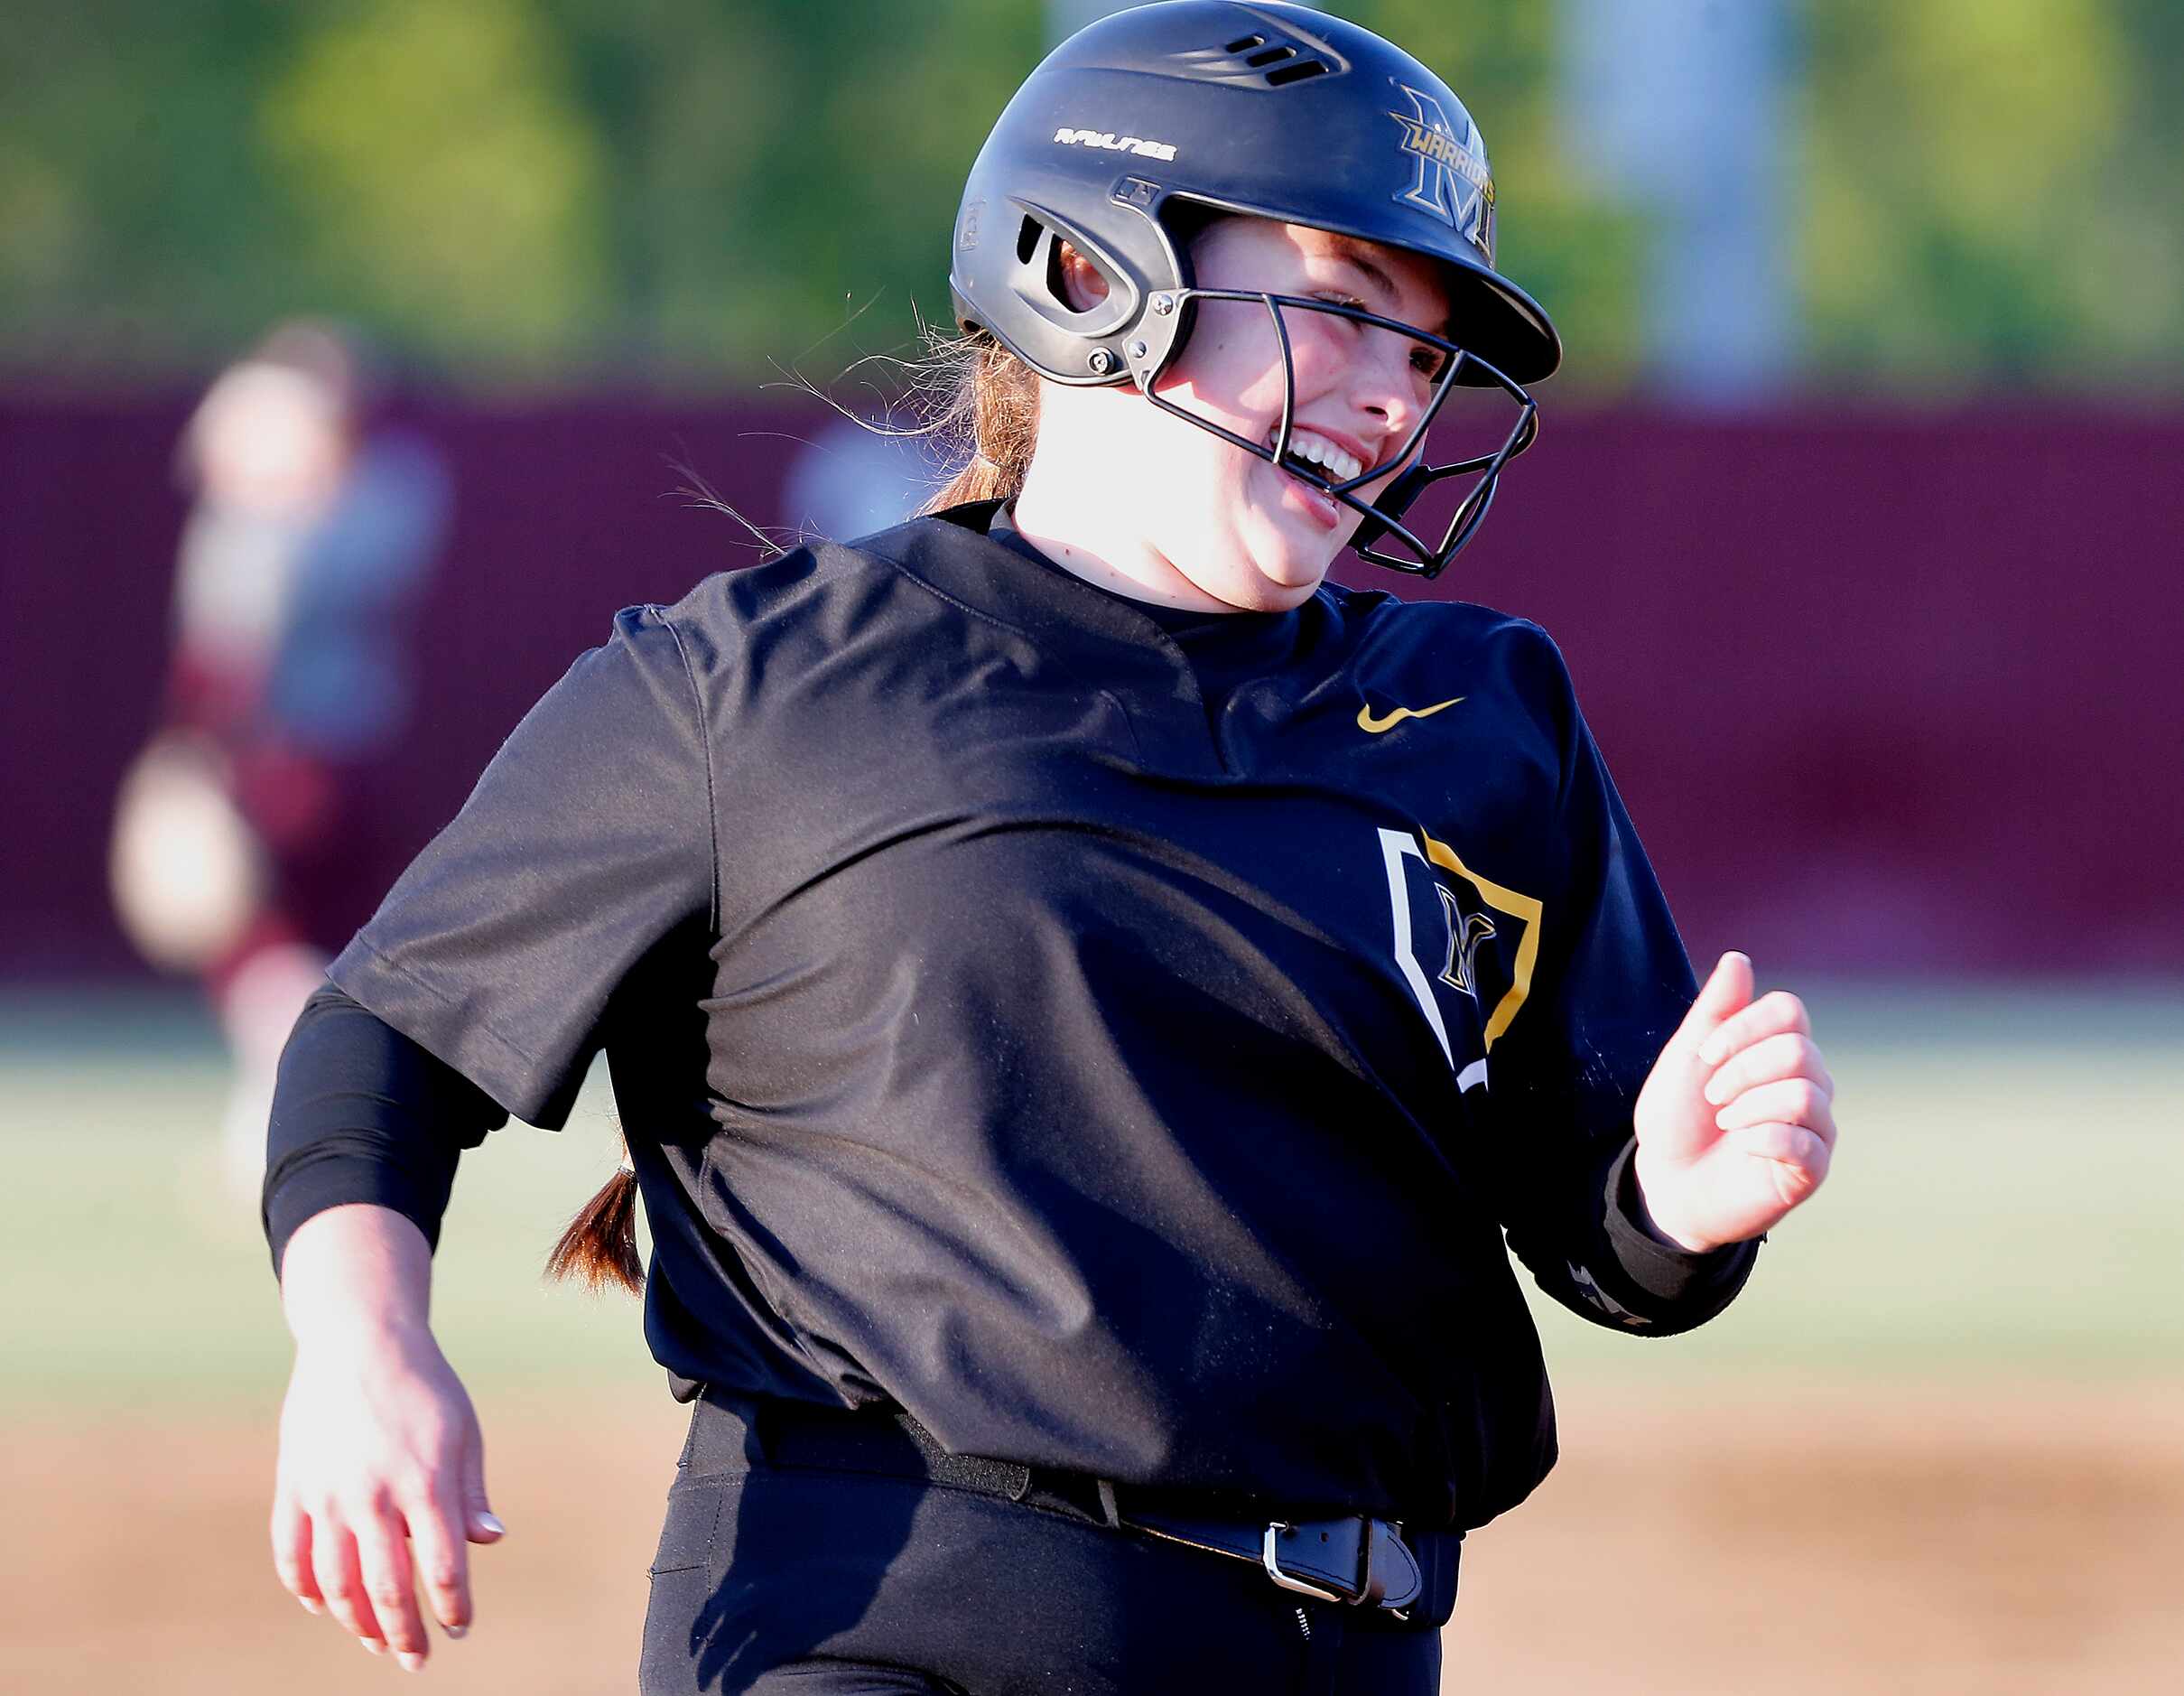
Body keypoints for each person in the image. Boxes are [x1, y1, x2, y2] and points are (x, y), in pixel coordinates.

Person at [263, 7, 1838, 1692]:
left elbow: (1595, 1229)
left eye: (1428, 350)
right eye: (1346, 315)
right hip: (887, 1624)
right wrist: (362, 1345)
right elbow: (393, 1034)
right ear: (1088, 276)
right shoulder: (762, 682)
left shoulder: (1479, 711)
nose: (1397, 397)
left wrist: (1671, 1202)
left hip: (1345, 1647)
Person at [111, 321, 449, 1197]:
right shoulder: (392, 497)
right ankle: (295, 1110)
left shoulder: (268, 527)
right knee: (328, 946)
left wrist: (192, 750)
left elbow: (229, 656)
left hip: (278, 754)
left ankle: (287, 1108)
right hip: (358, 739)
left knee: (262, 946)